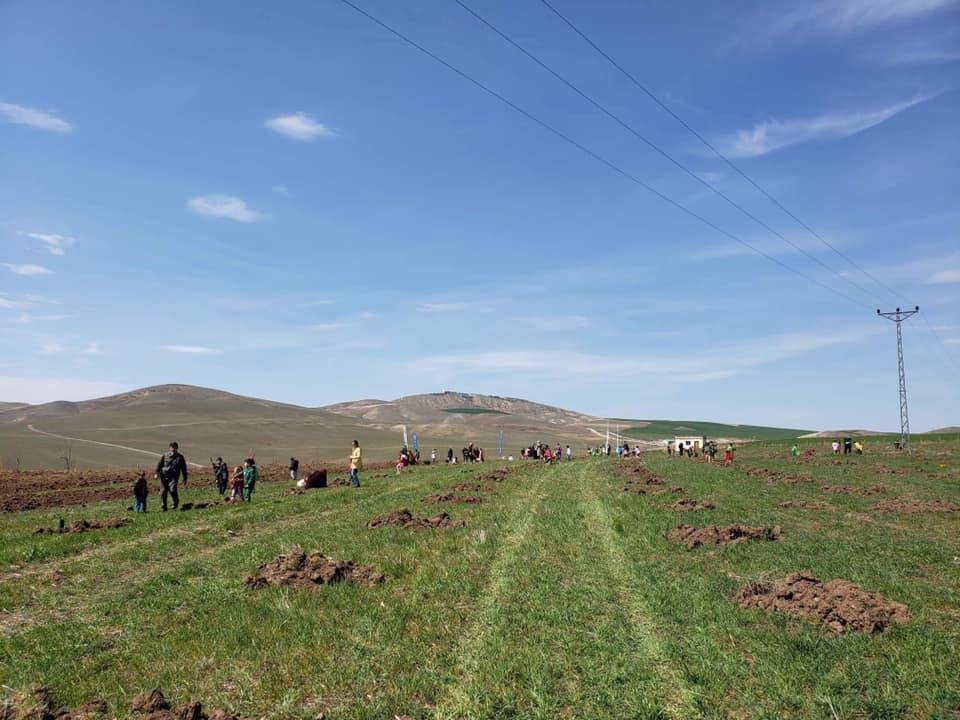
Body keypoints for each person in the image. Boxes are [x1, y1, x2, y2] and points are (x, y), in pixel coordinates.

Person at [155, 441, 188, 511]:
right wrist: (156, 473)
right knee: (163, 491)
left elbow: (184, 468)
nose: (173, 449)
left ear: (177, 448)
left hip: (173, 477)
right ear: (169, 448)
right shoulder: (165, 455)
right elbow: (159, 464)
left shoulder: (180, 457)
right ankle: (164, 506)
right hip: (163, 476)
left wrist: (185, 478)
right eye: (172, 447)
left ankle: (175, 502)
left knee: (172, 490)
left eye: (175, 447)